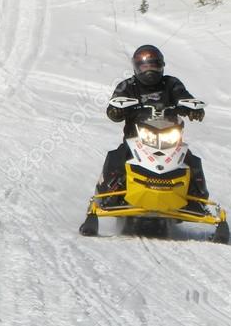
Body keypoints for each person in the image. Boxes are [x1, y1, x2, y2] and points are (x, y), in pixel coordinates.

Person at [79, 45, 208, 235]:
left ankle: (198, 200)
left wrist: (193, 108)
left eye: (154, 65)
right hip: (137, 138)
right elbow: (114, 106)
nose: (149, 71)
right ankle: (106, 197)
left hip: (170, 137)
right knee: (117, 157)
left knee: (190, 160)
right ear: (136, 67)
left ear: (161, 65)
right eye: (144, 66)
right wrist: (116, 110)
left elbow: (184, 97)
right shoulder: (127, 86)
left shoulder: (171, 84)